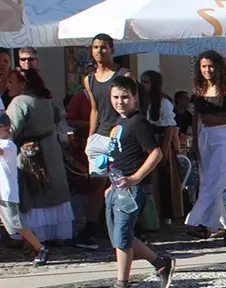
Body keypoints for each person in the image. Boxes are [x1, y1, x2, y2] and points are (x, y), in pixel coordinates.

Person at [96, 77, 176, 288]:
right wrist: (110, 186)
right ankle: (161, 263)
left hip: (132, 189)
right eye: (116, 97)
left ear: (134, 98)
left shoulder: (138, 122)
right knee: (120, 236)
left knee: (122, 235)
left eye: (125, 97)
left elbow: (156, 153)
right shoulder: (119, 123)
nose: (120, 102)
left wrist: (135, 177)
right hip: (116, 187)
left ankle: (122, 284)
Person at [5, 68, 74, 245]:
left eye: (10, 82)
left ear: (22, 84)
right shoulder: (44, 100)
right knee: (52, 189)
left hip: (33, 154)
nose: (7, 85)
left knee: (35, 192)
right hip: (51, 149)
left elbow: (9, 131)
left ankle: (34, 237)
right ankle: (55, 234)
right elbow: (60, 115)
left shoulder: (19, 102)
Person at [82, 34, 134, 248]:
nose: (99, 51)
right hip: (100, 134)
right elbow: (94, 108)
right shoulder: (89, 79)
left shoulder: (123, 74)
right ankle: (91, 228)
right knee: (96, 181)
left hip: (120, 134)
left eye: (103, 47)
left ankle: (124, 227)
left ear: (112, 49)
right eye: (96, 47)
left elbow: (133, 103)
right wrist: (90, 135)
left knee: (120, 182)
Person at [185, 51, 226, 239]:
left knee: (215, 180)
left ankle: (194, 220)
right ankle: (219, 223)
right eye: (203, 66)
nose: (207, 70)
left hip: (223, 135)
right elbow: (196, 117)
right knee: (207, 179)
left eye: (210, 66)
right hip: (204, 136)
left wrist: (213, 120)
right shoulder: (199, 89)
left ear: (217, 67)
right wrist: (194, 142)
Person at [0, 113, 49, 264]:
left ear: (6, 128)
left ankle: (40, 248)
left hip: (7, 193)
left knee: (16, 224)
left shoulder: (7, 145)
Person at [140, 71, 183, 226]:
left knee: (165, 179)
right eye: (142, 82)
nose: (144, 85)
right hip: (147, 141)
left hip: (161, 141)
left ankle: (167, 215)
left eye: (147, 82)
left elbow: (169, 128)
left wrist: (164, 150)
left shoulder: (164, 102)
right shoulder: (142, 101)